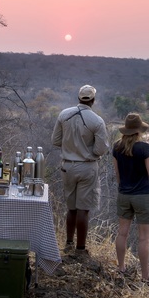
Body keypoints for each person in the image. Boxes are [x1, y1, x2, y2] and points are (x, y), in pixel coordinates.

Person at [51, 84, 110, 254]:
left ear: (79, 98)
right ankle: (81, 249)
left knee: (71, 208)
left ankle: (68, 243)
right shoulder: (97, 121)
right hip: (87, 167)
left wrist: (71, 148)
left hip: (67, 166)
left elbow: (55, 140)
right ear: (93, 100)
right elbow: (100, 149)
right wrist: (86, 151)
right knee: (83, 209)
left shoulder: (64, 114)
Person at [112, 113, 149, 283]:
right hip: (143, 196)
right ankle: (145, 277)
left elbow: (117, 175)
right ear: (139, 131)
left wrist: (124, 188)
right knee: (144, 238)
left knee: (122, 233)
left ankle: (121, 268)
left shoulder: (116, 147)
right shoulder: (144, 148)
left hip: (124, 194)